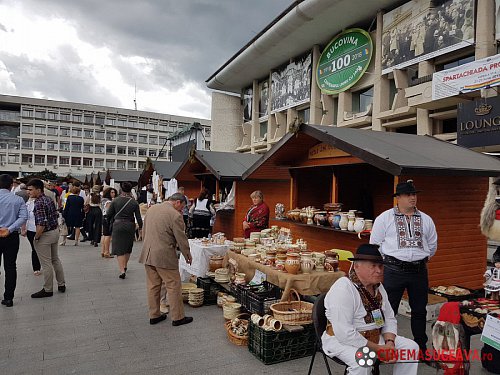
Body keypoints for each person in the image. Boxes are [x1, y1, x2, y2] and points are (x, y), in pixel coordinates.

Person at [322, 244, 419, 375]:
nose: (379, 270)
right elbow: (345, 334)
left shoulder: (378, 288)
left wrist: (390, 343)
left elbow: (389, 317)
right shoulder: (343, 288)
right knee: (363, 360)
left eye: (380, 266)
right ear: (356, 266)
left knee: (410, 348)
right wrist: (379, 349)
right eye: (373, 266)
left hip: (374, 337)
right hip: (342, 341)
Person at [370, 180, 437, 353]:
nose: (412, 198)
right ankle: (382, 346)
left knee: (420, 311)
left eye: (414, 194)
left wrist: (417, 258)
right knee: (386, 309)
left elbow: (432, 245)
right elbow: (375, 244)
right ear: (398, 198)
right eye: (408, 195)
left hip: (418, 271)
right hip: (393, 270)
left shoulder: (426, 219)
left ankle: (421, 348)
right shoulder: (385, 218)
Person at [138, 193, 193, 327]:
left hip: (148, 253)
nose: (181, 210)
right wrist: (187, 254)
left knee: (153, 286)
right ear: (178, 203)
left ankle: (154, 315)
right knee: (173, 285)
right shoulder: (175, 215)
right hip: (164, 255)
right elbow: (181, 237)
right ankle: (178, 317)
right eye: (182, 207)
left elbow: (144, 231)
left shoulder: (152, 209)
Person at [27, 178, 66, 298]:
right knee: (55, 259)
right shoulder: (48, 198)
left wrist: (36, 237)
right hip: (54, 232)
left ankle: (48, 289)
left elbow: (41, 224)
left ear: (38, 190)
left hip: (45, 235)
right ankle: (61, 284)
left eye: (31, 189)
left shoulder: (38, 203)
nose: (28, 192)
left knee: (46, 263)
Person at [0, 174, 28, 307]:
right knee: (10, 266)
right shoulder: (18, 200)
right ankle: (8, 297)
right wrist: (10, 229)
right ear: (11, 185)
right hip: (11, 236)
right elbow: (23, 217)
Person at [107, 182, 142, 279]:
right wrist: (141, 228)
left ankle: (122, 270)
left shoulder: (116, 201)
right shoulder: (134, 202)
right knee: (127, 246)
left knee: (119, 248)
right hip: (130, 225)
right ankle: (125, 265)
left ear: (121, 190)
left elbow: (109, 214)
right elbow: (138, 217)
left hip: (118, 225)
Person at [21, 196, 42, 276]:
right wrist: (23, 229)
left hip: (42, 229)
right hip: (31, 229)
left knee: (42, 249)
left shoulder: (43, 203)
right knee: (34, 249)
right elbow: (24, 217)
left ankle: (43, 265)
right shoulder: (28, 204)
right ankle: (36, 267)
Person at [100, 187, 117, 258]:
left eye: (114, 192)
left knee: (104, 235)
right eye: (112, 192)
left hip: (104, 217)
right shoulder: (108, 201)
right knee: (108, 235)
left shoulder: (103, 200)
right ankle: (106, 251)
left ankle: (103, 251)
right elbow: (109, 211)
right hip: (108, 218)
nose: (113, 194)